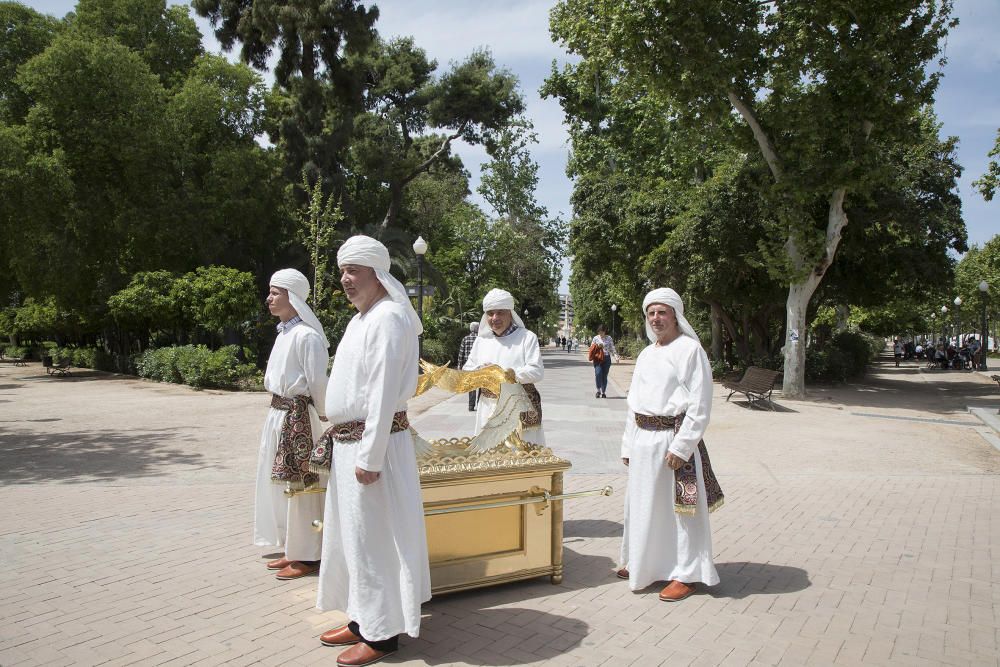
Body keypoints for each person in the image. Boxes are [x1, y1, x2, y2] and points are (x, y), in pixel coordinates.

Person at [314, 236, 430, 667]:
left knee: (375, 539)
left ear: (378, 274)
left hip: (371, 447)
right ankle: (363, 618)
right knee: (352, 540)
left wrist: (371, 456)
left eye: (354, 270)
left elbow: (382, 395)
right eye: (342, 271)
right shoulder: (360, 320)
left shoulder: (389, 318)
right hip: (349, 446)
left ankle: (382, 635)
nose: (345, 279)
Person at [617, 288, 724, 602]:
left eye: (661, 312)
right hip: (642, 442)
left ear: (675, 315)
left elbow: (700, 405)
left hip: (672, 442)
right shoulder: (647, 353)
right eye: (650, 313)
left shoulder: (690, 351)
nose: (655, 318)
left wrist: (682, 447)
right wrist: (627, 445)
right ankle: (645, 562)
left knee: (681, 512)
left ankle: (686, 573)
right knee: (644, 504)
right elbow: (633, 404)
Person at [255, 269, 329, 580]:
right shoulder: (285, 332)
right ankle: (293, 548)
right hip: (279, 416)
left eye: (276, 293)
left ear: (293, 297)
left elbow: (317, 382)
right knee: (282, 485)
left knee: (304, 487)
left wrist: (327, 414)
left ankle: (310, 554)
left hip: (299, 420)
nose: (269, 298)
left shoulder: (308, 337)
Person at [463, 288, 546, 445]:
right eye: (490, 313)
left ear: (510, 314)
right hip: (487, 407)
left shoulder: (527, 338)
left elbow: (537, 371)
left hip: (518, 408)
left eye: (500, 312)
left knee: (520, 459)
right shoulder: (481, 341)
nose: (495, 318)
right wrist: (481, 371)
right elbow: (467, 370)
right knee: (489, 459)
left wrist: (504, 374)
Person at [457, 322, 480, 412]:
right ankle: (479, 405)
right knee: (482, 385)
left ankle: (471, 406)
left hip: (469, 366)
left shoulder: (465, 339)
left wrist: (459, 366)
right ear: (478, 329)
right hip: (480, 366)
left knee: (471, 386)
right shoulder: (481, 339)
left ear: (470, 329)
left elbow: (461, 353)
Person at [591, 325, 619, 398]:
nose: (601, 333)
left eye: (602, 332)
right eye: (599, 332)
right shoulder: (595, 338)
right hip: (598, 359)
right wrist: (597, 346)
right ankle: (598, 390)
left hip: (606, 358)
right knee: (598, 373)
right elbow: (591, 348)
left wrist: (616, 356)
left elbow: (612, 347)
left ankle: (603, 392)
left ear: (605, 331)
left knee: (604, 376)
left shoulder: (609, 338)